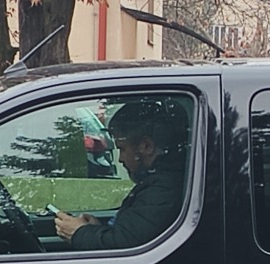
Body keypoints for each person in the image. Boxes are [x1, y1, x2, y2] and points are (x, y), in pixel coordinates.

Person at [54, 99, 187, 249]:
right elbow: (133, 232)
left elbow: (126, 246)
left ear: (146, 146)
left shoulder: (164, 190)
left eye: (122, 149)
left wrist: (80, 233)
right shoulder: (160, 182)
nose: (120, 159)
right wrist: (97, 229)